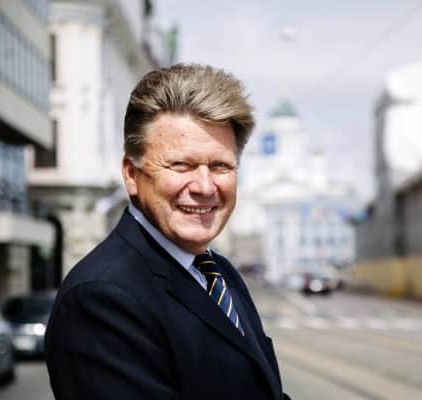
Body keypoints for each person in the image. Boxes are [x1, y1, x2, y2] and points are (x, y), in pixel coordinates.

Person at [45, 64, 291, 400]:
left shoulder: (219, 272)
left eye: (220, 166)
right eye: (181, 165)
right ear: (131, 174)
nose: (205, 186)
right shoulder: (100, 299)